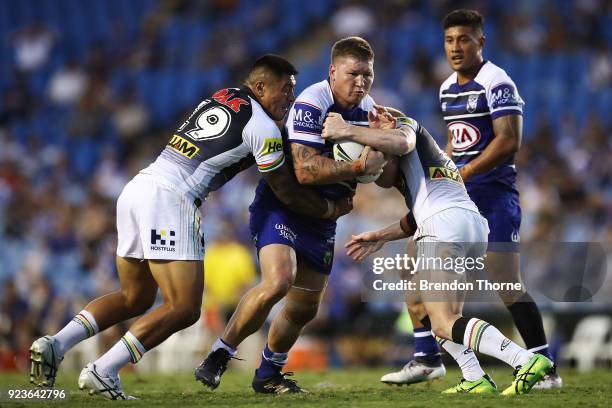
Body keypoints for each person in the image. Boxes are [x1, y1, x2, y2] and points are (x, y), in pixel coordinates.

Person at [29, 54, 353, 400]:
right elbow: (285, 190)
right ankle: (104, 369)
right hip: (172, 200)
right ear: (259, 87)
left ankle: (55, 344)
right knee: (183, 308)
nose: (290, 98)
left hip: (138, 188)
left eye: (293, 90)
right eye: (284, 90)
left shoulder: (226, 95)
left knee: (134, 297)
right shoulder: (263, 127)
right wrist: (329, 207)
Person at [379, 9, 562, 390]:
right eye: (449, 40)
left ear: (481, 41)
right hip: (456, 199)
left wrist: (463, 172)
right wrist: (443, 173)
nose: (456, 47)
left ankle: (546, 367)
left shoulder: (497, 82)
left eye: (464, 39)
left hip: (493, 194)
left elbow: (508, 140)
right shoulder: (447, 88)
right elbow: (455, 143)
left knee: (506, 282)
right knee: (412, 266)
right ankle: (427, 358)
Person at [194, 36, 386, 394]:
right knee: (279, 279)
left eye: (367, 75)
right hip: (283, 205)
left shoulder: (369, 110)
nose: (360, 83)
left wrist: (383, 151)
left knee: (303, 308)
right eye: (353, 74)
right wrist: (359, 164)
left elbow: (380, 170)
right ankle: (220, 353)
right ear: (332, 71)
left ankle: (268, 374)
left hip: (323, 220)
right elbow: (305, 171)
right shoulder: (312, 104)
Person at [322, 105, 554, 395]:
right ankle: (473, 376)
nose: (372, 132)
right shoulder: (420, 167)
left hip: (443, 228)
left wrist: (346, 130)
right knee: (418, 300)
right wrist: (381, 235)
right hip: (467, 225)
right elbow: (412, 210)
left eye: (377, 121)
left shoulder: (407, 129)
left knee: (445, 322)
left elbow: (399, 143)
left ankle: (525, 360)